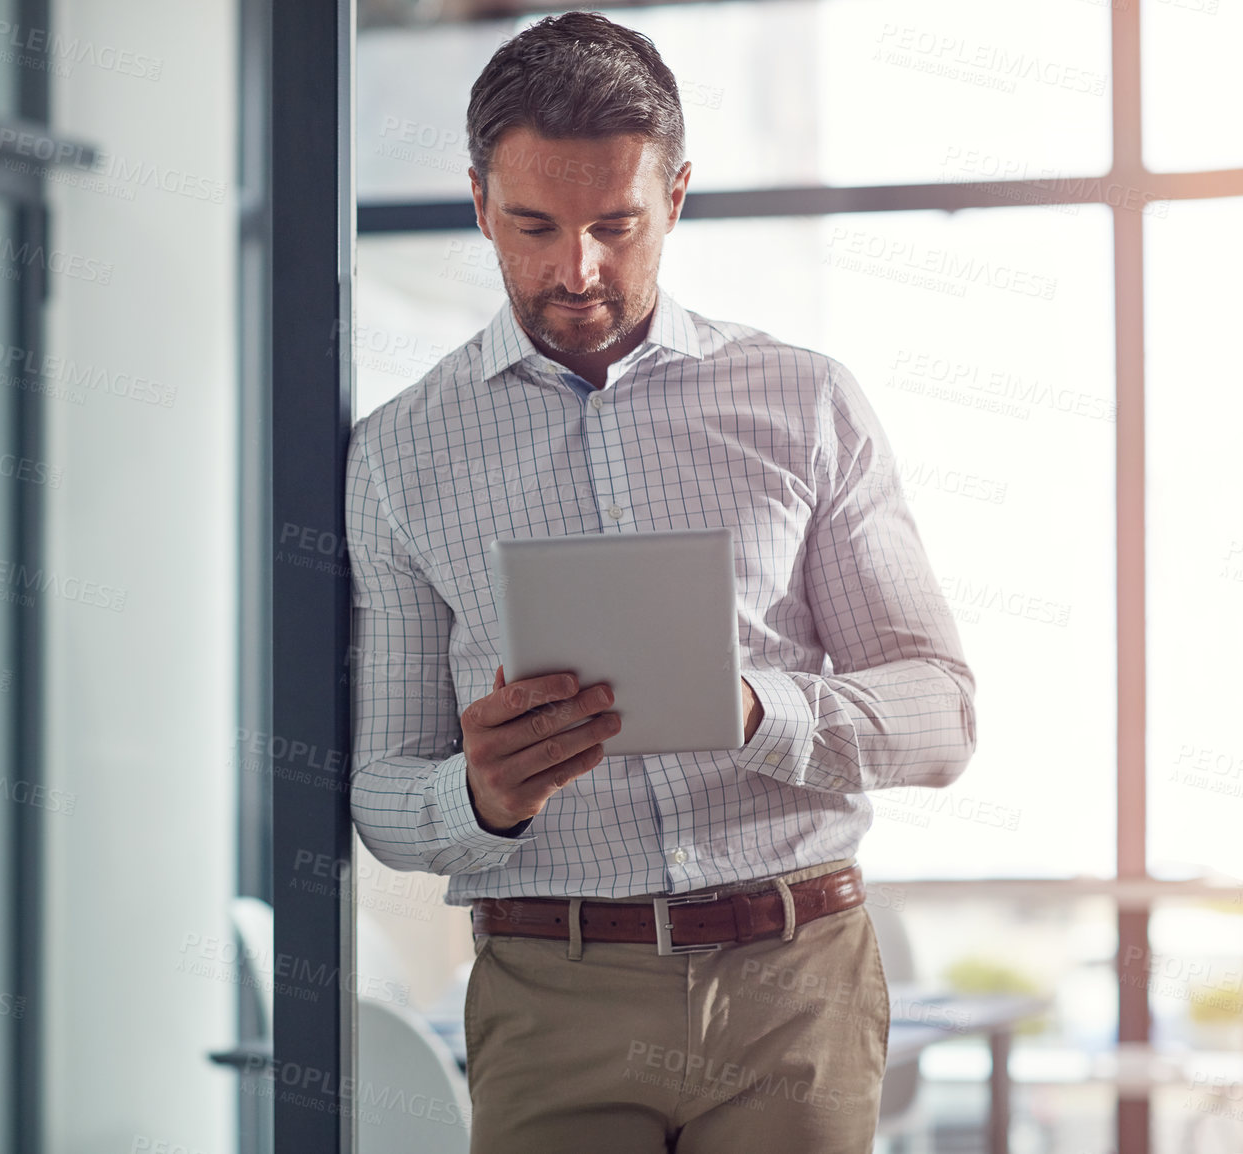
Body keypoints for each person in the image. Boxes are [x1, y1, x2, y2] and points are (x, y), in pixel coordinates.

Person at [345, 10, 977, 1153]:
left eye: (616, 224)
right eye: (532, 224)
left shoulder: (805, 403)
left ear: (675, 196)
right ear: (479, 200)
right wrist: (480, 794)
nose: (575, 268)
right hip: (550, 993)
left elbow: (941, 714)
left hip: (796, 984)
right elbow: (383, 792)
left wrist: (756, 710)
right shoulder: (397, 453)